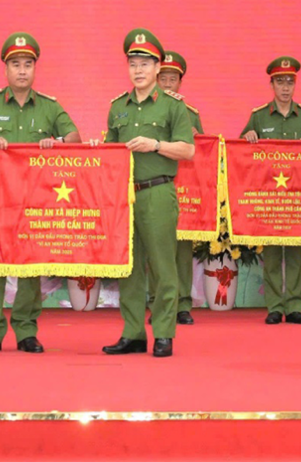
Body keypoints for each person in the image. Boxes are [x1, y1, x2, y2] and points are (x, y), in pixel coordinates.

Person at [0, 33, 81, 354]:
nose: (22, 70)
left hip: (35, 200)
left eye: (28, 64)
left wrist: (57, 143)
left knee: (31, 266)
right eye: (16, 64)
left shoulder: (49, 106)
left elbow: (75, 137)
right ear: (6, 69)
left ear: (35, 68)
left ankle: (27, 330)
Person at [101, 29, 195, 358]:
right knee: (128, 268)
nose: (138, 70)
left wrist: (155, 144)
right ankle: (133, 333)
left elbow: (187, 150)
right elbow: (111, 154)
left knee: (162, 267)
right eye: (133, 64)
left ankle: (164, 333)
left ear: (158, 68)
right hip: (124, 197)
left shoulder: (173, 107)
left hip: (157, 193)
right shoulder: (118, 107)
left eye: (145, 63)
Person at [242, 56, 301, 325]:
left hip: (296, 198)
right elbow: (241, 154)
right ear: (272, 85)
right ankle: (273, 307)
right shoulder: (258, 117)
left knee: (294, 254)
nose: (285, 87)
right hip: (268, 197)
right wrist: (247, 138)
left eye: (290, 82)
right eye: (280, 82)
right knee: (270, 254)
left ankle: (294, 306)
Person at [153, 50, 201, 325]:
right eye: (164, 79)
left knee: (182, 250)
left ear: (180, 83)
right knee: (156, 250)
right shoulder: (146, 111)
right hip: (157, 186)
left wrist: (196, 138)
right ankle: (157, 303)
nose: (168, 84)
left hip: (187, 192)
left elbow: (202, 154)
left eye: (173, 79)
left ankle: (183, 304)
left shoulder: (190, 114)